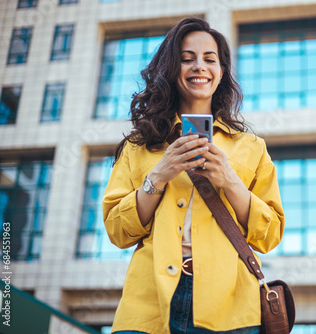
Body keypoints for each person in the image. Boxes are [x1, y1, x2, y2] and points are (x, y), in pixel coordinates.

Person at [103, 17, 284, 334]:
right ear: (171, 70)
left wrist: (228, 179)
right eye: (187, 59)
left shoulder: (251, 147)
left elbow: (269, 236)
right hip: (148, 303)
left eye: (209, 59)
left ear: (221, 72)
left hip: (231, 305)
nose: (199, 67)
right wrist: (158, 176)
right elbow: (119, 231)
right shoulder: (139, 146)